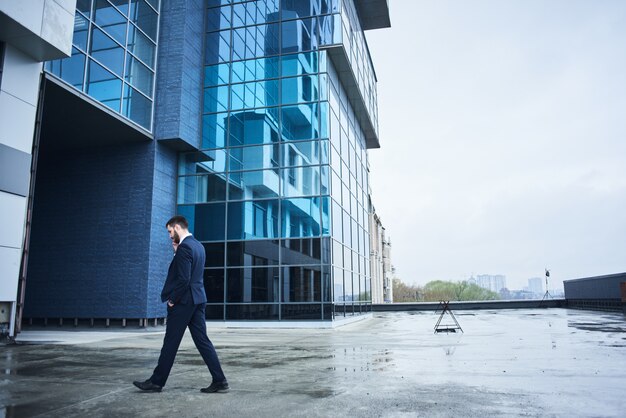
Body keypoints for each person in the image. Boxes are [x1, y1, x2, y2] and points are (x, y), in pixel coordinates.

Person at [133, 215, 229, 393]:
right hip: (198, 299)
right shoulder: (198, 246)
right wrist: (177, 252)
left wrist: (172, 299)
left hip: (184, 302)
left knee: (170, 342)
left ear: (177, 227)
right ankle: (220, 380)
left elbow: (184, 279)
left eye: (170, 231)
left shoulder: (185, 248)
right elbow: (192, 274)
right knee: (203, 341)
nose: (170, 236)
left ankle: (156, 381)